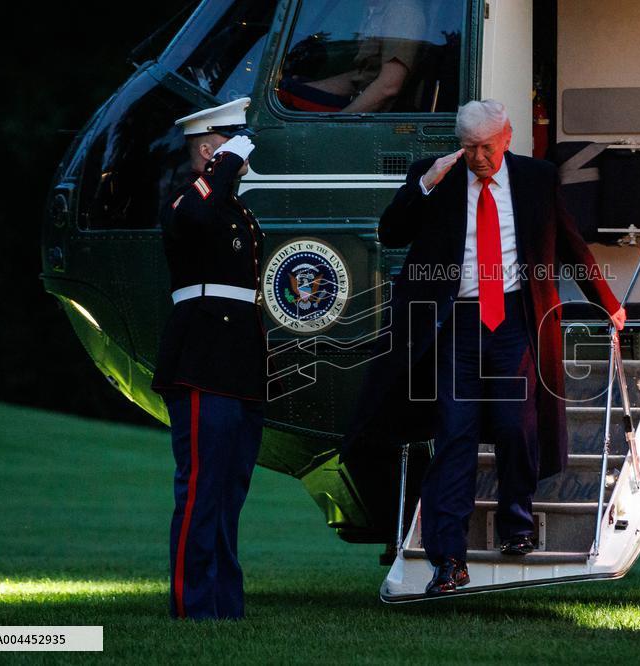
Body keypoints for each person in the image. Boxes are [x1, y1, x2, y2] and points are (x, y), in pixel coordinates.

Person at [341, 99, 626, 595]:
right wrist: (424, 184)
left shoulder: (537, 178)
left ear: (507, 137)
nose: (477, 158)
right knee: (454, 435)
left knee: (517, 425)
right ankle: (448, 560)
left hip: (515, 318)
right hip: (457, 324)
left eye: (486, 147)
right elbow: (390, 234)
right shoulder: (436, 178)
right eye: (469, 147)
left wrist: (607, 302)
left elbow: (570, 244)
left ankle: (518, 525)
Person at [150, 97, 267, 619]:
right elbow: (194, 215)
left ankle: (224, 600)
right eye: (230, 144)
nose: (241, 155)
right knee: (200, 486)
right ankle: (192, 601)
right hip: (201, 355)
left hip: (237, 358)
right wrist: (220, 167)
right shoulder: (186, 199)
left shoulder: (234, 207)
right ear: (206, 148)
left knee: (229, 488)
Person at [278, 0, 428, 113]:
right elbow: (361, 76)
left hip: (379, 116)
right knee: (285, 89)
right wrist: (307, 86)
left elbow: (389, 86)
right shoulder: (375, 11)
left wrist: (340, 121)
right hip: (357, 101)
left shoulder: (403, 12)